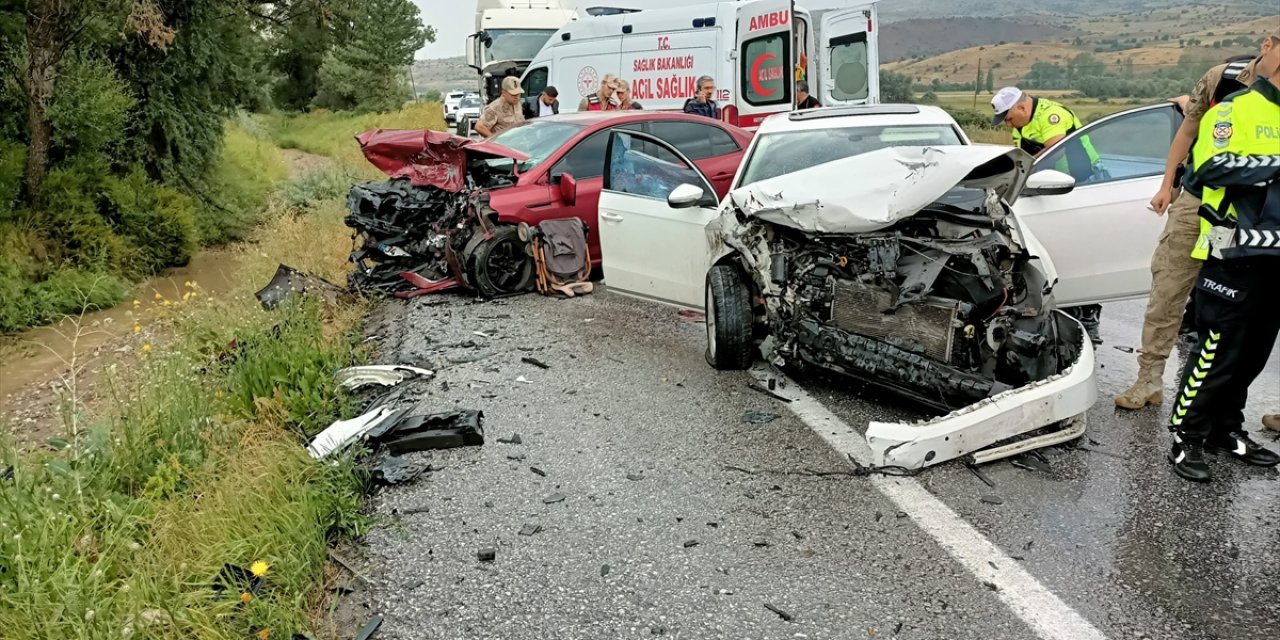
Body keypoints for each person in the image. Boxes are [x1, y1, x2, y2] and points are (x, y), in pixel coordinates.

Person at [1116, 39, 1280, 410]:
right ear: (1268, 44)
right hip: (1201, 200)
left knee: (1259, 310)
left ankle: (1228, 403)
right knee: (1169, 288)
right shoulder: (1223, 78)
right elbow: (1188, 132)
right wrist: (1166, 185)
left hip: (1264, 213)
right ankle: (1149, 380)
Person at [1165, 57, 1280, 483]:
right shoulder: (1234, 108)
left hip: (1276, 258)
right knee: (1216, 348)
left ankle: (1225, 430)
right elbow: (1205, 170)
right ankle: (1186, 434)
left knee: (1253, 354)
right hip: (1227, 247)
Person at [991, 86, 1105, 345]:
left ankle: (1089, 315)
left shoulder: (1051, 115)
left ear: (1021, 107)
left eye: (1008, 118)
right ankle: (1065, 301)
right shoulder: (1021, 124)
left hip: (1083, 182)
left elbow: (1055, 150)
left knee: (1084, 248)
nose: (1008, 125)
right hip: (1053, 187)